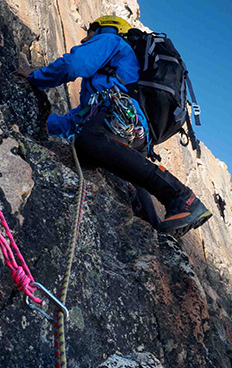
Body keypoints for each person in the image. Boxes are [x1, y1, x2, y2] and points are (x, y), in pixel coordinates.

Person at [16, 15, 212, 236]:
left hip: (119, 118)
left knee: (90, 142)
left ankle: (181, 196)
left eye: (89, 32)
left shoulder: (111, 41)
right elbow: (73, 122)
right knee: (124, 171)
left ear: (104, 28)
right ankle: (156, 231)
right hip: (131, 131)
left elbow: (73, 65)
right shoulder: (106, 82)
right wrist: (33, 121)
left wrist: (35, 79)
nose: (83, 40)